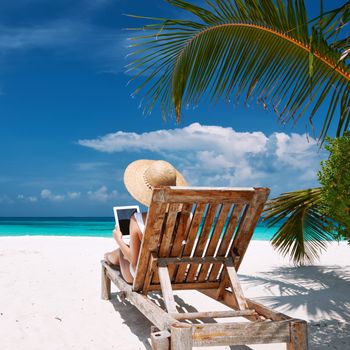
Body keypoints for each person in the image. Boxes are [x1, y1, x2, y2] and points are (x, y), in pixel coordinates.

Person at [104, 159, 188, 283]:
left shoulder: (137, 219)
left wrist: (118, 239)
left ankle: (108, 257)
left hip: (143, 277)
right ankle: (110, 255)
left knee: (123, 250)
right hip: (173, 274)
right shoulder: (187, 217)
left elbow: (133, 259)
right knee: (128, 249)